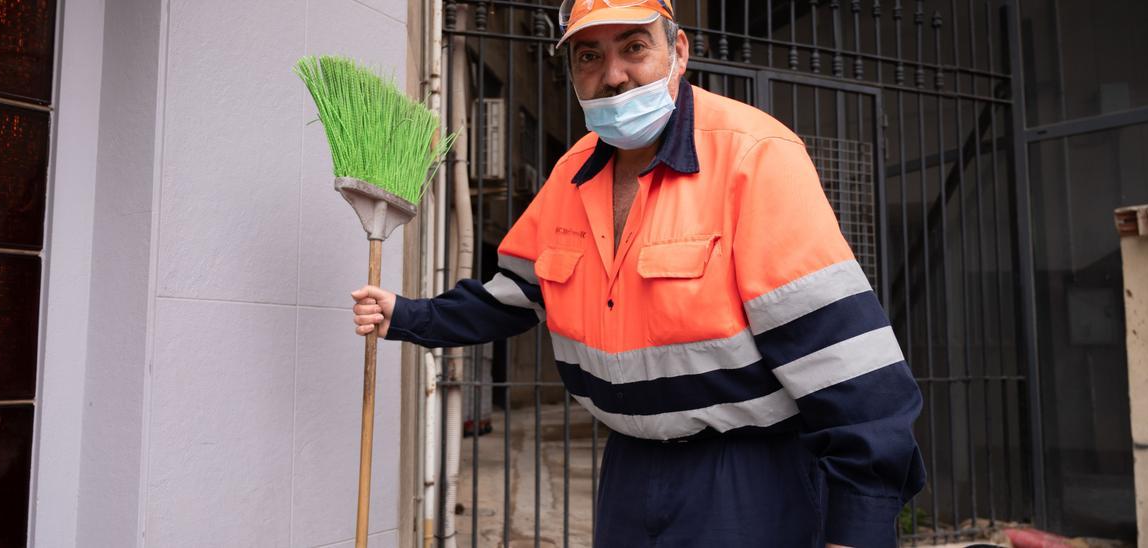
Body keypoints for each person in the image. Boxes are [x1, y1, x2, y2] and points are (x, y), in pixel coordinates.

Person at [351, 1, 926, 546]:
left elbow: (850, 368)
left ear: (678, 50)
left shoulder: (755, 157)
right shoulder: (571, 174)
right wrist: (405, 315)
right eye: (589, 56)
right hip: (629, 468)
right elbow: (511, 296)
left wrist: (859, 528)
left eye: (634, 47)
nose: (615, 75)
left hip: (746, 472)